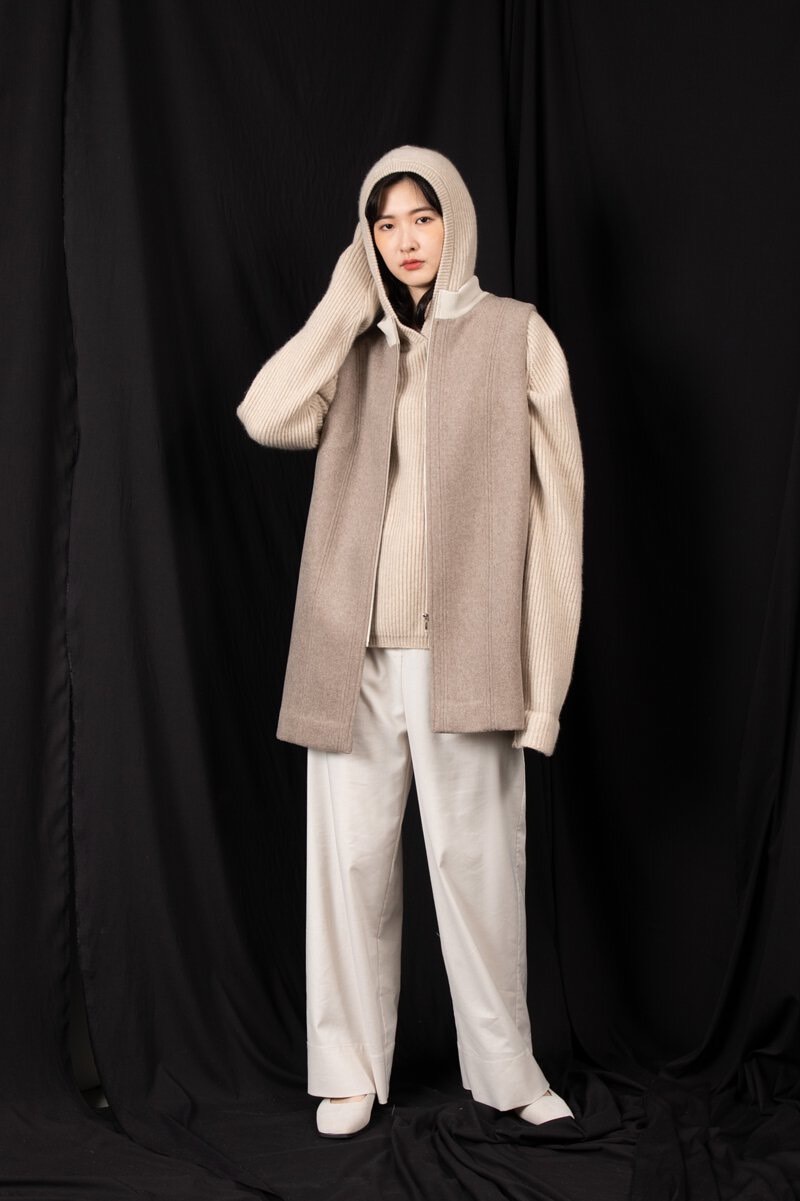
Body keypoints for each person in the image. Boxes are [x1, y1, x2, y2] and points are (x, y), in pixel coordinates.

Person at [237, 145, 584, 1139]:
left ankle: (507, 1070)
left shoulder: (517, 335)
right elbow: (264, 414)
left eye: (420, 217)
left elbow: (558, 520)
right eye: (383, 223)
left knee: (477, 869)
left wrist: (543, 692)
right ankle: (348, 1070)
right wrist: (344, 302)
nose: (404, 239)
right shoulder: (352, 345)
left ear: (453, 220)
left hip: (466, 653)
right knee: (348, 869)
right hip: (346, 654)